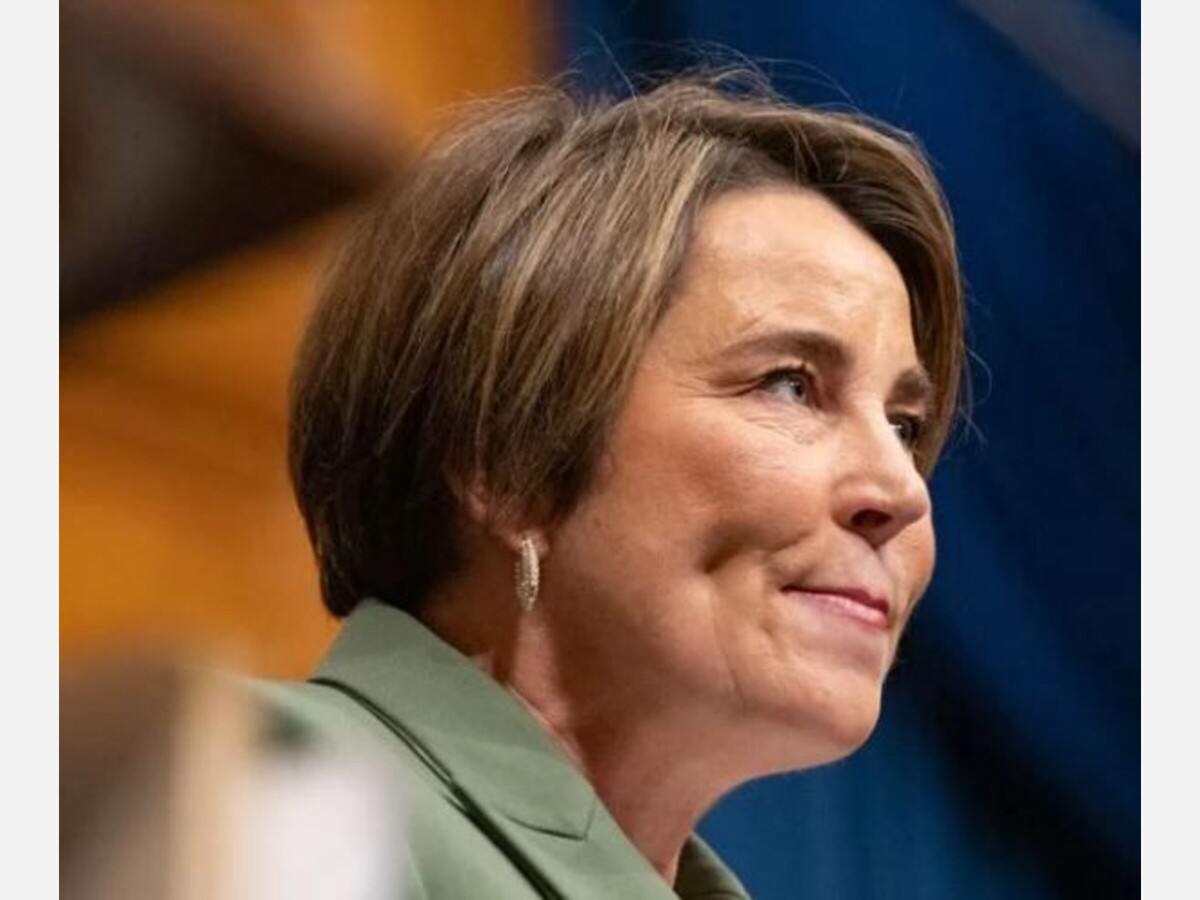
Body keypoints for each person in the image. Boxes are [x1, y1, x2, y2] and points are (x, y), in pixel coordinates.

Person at [265, 70, 965, 899]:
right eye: (790, 386)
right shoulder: (278, 793)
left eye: (904, 426)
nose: (903, 490)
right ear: (512, 462)